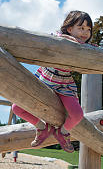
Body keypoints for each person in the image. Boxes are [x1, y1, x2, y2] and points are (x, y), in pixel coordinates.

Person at [12, 10, 93, 153]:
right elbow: (53, 37)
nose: (85, 32)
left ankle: (62, 132)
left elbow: (94, 54)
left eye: (88, 29)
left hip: (64, 84)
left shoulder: (84, 48)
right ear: (69, 29)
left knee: (77, 114)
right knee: (16, 108)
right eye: (81, 28)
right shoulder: (58, 38)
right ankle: (42, 127)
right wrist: (68, 39)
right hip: (45, 79)